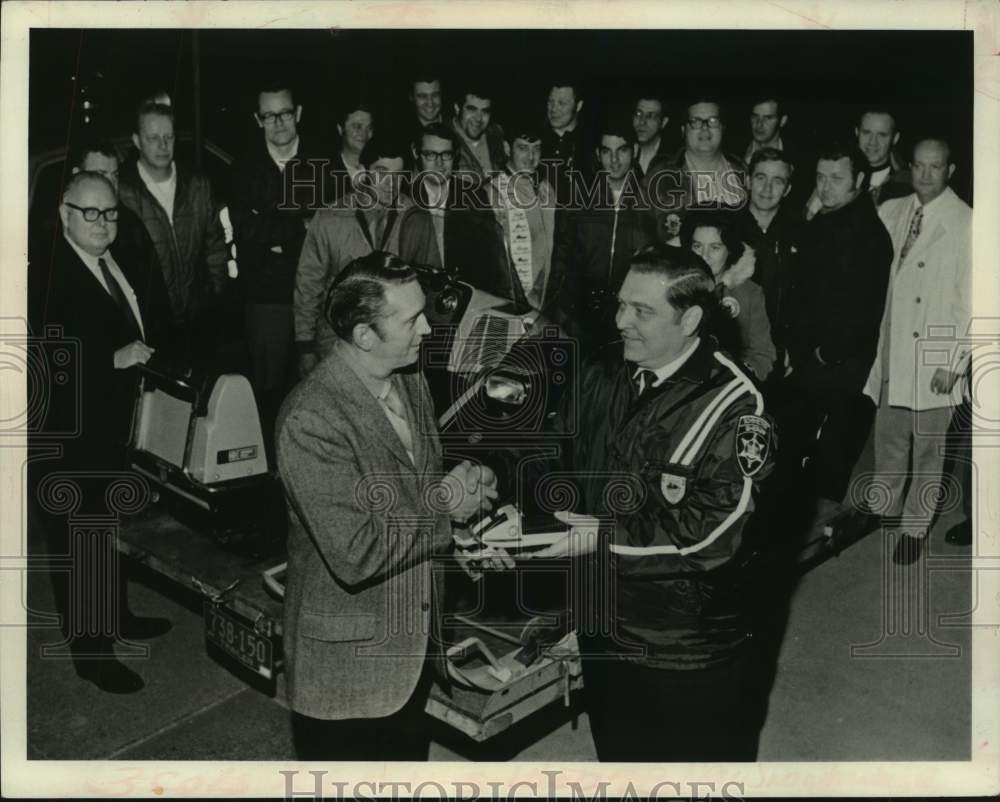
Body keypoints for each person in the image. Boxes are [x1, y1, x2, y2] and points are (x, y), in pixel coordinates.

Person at [529, 245, 774, 761]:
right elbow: (558, 449)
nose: (621, 322)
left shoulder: (738, 408)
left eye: (642, 312)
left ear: (690, 320)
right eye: (622, 305)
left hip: (684, 652)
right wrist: (499, 483)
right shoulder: (606, 368)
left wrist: (601, 538)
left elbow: (718, 531)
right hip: (603, 626)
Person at [276, 251, 498, 760]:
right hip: (349, 673)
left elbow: (416, 492)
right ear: (364, 335)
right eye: (410, 319)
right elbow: (355, 553)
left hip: (413, 652)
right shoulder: (311, 419)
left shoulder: (410, 380)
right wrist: (448, 513)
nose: (427, 328)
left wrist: (464, 527)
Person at [28, 172, 172, 694]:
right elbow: (42, 357)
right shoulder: (44, 271)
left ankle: (117, 615)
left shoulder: (115, 258)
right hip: (67, 436)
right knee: (79, 539)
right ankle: (91, 654)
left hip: (111, 428)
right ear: (65, 213)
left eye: (109, 212)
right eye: (89, 213)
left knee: (106, 528)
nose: (102, 223)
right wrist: (114, 358)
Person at [861, 137, 972, 565]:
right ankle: (885, 507)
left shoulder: (966, 222)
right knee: (889, 437)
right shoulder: (894, 210)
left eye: (936, 167)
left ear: (951, 170)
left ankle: (915, 526)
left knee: (929, 447)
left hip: (933, 351)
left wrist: (953, 361)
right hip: (893, 344)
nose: (926, 174)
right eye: (920, 166)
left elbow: (971, 298)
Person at [785, 141, 893, 531]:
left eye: (836, 178)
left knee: (833, 437)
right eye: (820, 177)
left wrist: (825, 352)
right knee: (812, 434)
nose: (826, 186)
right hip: (818, 353)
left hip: (839, 357)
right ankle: (807, 510)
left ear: (859, 180)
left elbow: (864, 307)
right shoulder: (831, 219)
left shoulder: (866, 233)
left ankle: (817, 518)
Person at [295, 136, 437, 375]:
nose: (389, 183)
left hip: (396, 348)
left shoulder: (416, 218)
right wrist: (305, 347)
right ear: (363, 171)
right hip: (337, 345)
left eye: (397, 175)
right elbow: (308, 286)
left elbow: (432, 284)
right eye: (381, 172)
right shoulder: (330, 218)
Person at [228, 80, 316, 455]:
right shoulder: (243, 168)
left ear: (297, 113)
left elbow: (327, 223)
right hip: (266, 301)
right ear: (257, 119)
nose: (278, 122)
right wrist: (298, 226)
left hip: (315, 296)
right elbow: (246, 229)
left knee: (317, 391)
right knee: (270, 392)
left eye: (284, 113)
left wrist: (271, 227)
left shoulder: (319, 162)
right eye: (269, 115)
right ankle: (274, 472)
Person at [117, 101, 229, 356]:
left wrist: (214, 297)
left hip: (198, 319)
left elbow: (216, 248)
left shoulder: (198, 185)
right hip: (150, 325)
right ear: (136, 140)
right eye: (153, 137)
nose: (163, 145)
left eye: (168, 136)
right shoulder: (123, 192)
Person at [551, 114, 656, 352]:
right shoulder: (578, 199)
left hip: (629, 317)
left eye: (622, 151)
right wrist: (560, 312)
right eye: (607, 152)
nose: (615, 161)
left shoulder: (650, 202)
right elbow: (561, 257)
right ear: (598, 155)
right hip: (581, 316)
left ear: (635, 151)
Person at [409, 123, 513, 300]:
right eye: (430, 154)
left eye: (446, 154)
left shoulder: (473, 196)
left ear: (455, 155)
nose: (439, 163)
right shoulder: (406, 198)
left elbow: (492, 262)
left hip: (466, 302)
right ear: (416, 153)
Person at [682, 208, 776, 381]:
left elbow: (762, 353)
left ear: (730, 250)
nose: (704, 256)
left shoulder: (749, 293)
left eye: (715, 248)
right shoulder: (675, 287)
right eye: (697, 246)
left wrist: (733, 379)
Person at [644, 93, 746, 244]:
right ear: (683, 129)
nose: (705, 129)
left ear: (723, 128)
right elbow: (639, 236)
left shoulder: (743, 172)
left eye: (713, 121)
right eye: (695, 121)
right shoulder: (659, 176)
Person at [736, 147, 802, 380]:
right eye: (761, 178)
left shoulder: (801, 233)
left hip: (782, 357)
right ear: (748, 181)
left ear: (788, 189)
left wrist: (796, 349)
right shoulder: (728, 229)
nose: (767, 188)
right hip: (735, 352)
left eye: (777, 181)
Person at [488, 119, 559, 311]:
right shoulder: (493, 190)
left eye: (536, 148)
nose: (531, 156)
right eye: (522, 148)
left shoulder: (547, 189)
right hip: (510, 300)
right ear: (507, 148)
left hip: (545, 300)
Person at [540, 82, 592, 204]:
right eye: (550, 101)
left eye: (561, 103)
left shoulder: (590, 145)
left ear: (578, 106)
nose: (553, 109)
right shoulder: (533, 142)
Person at [451, 84, 507, 181]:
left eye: (485, 111)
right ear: (457, 108)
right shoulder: (442, 139)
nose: (478, 118)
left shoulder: (496, 134)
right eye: (472, 109)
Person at [631, 91, 670, 177]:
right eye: (638, 114)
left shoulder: (674, 158)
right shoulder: (620, 151)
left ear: (663, 122)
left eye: (651, 116)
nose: (642, 122)